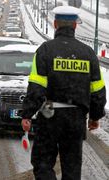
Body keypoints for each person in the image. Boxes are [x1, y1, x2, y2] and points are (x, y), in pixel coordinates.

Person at [21, 6, 106, 180]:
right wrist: (95, 117)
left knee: (42, 162)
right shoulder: (88, 54)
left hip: (49, 115)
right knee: (72, 167)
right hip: (76, 119)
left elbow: (37, 87)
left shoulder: (45, 50)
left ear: (55, 24)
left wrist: (27, 114)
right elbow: (97, 90)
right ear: (75, 26)